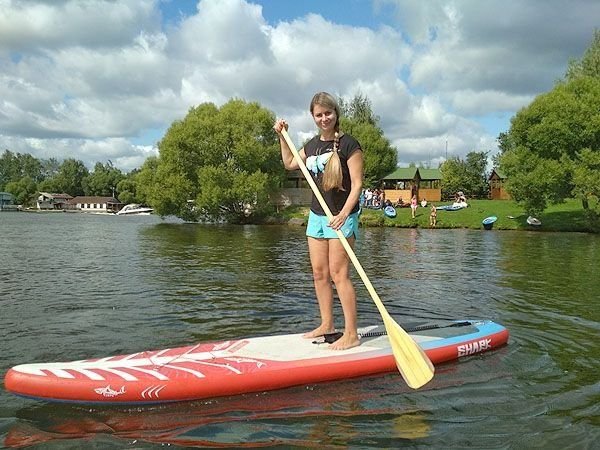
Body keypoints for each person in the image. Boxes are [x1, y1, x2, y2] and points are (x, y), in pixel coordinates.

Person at [273, 92, 363, 350]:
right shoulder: (311, 145)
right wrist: (282, 136)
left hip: (341, 215)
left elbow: (357, 184)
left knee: (339, 274)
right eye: (319, 114)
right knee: (319, 273)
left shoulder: (349, 144)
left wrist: (345, 213)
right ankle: (327, 324)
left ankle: (351, 334)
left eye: (328, 113)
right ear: (313, 117)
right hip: (317, 216)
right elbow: (290, 163)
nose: (324, 118)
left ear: (336, 114)